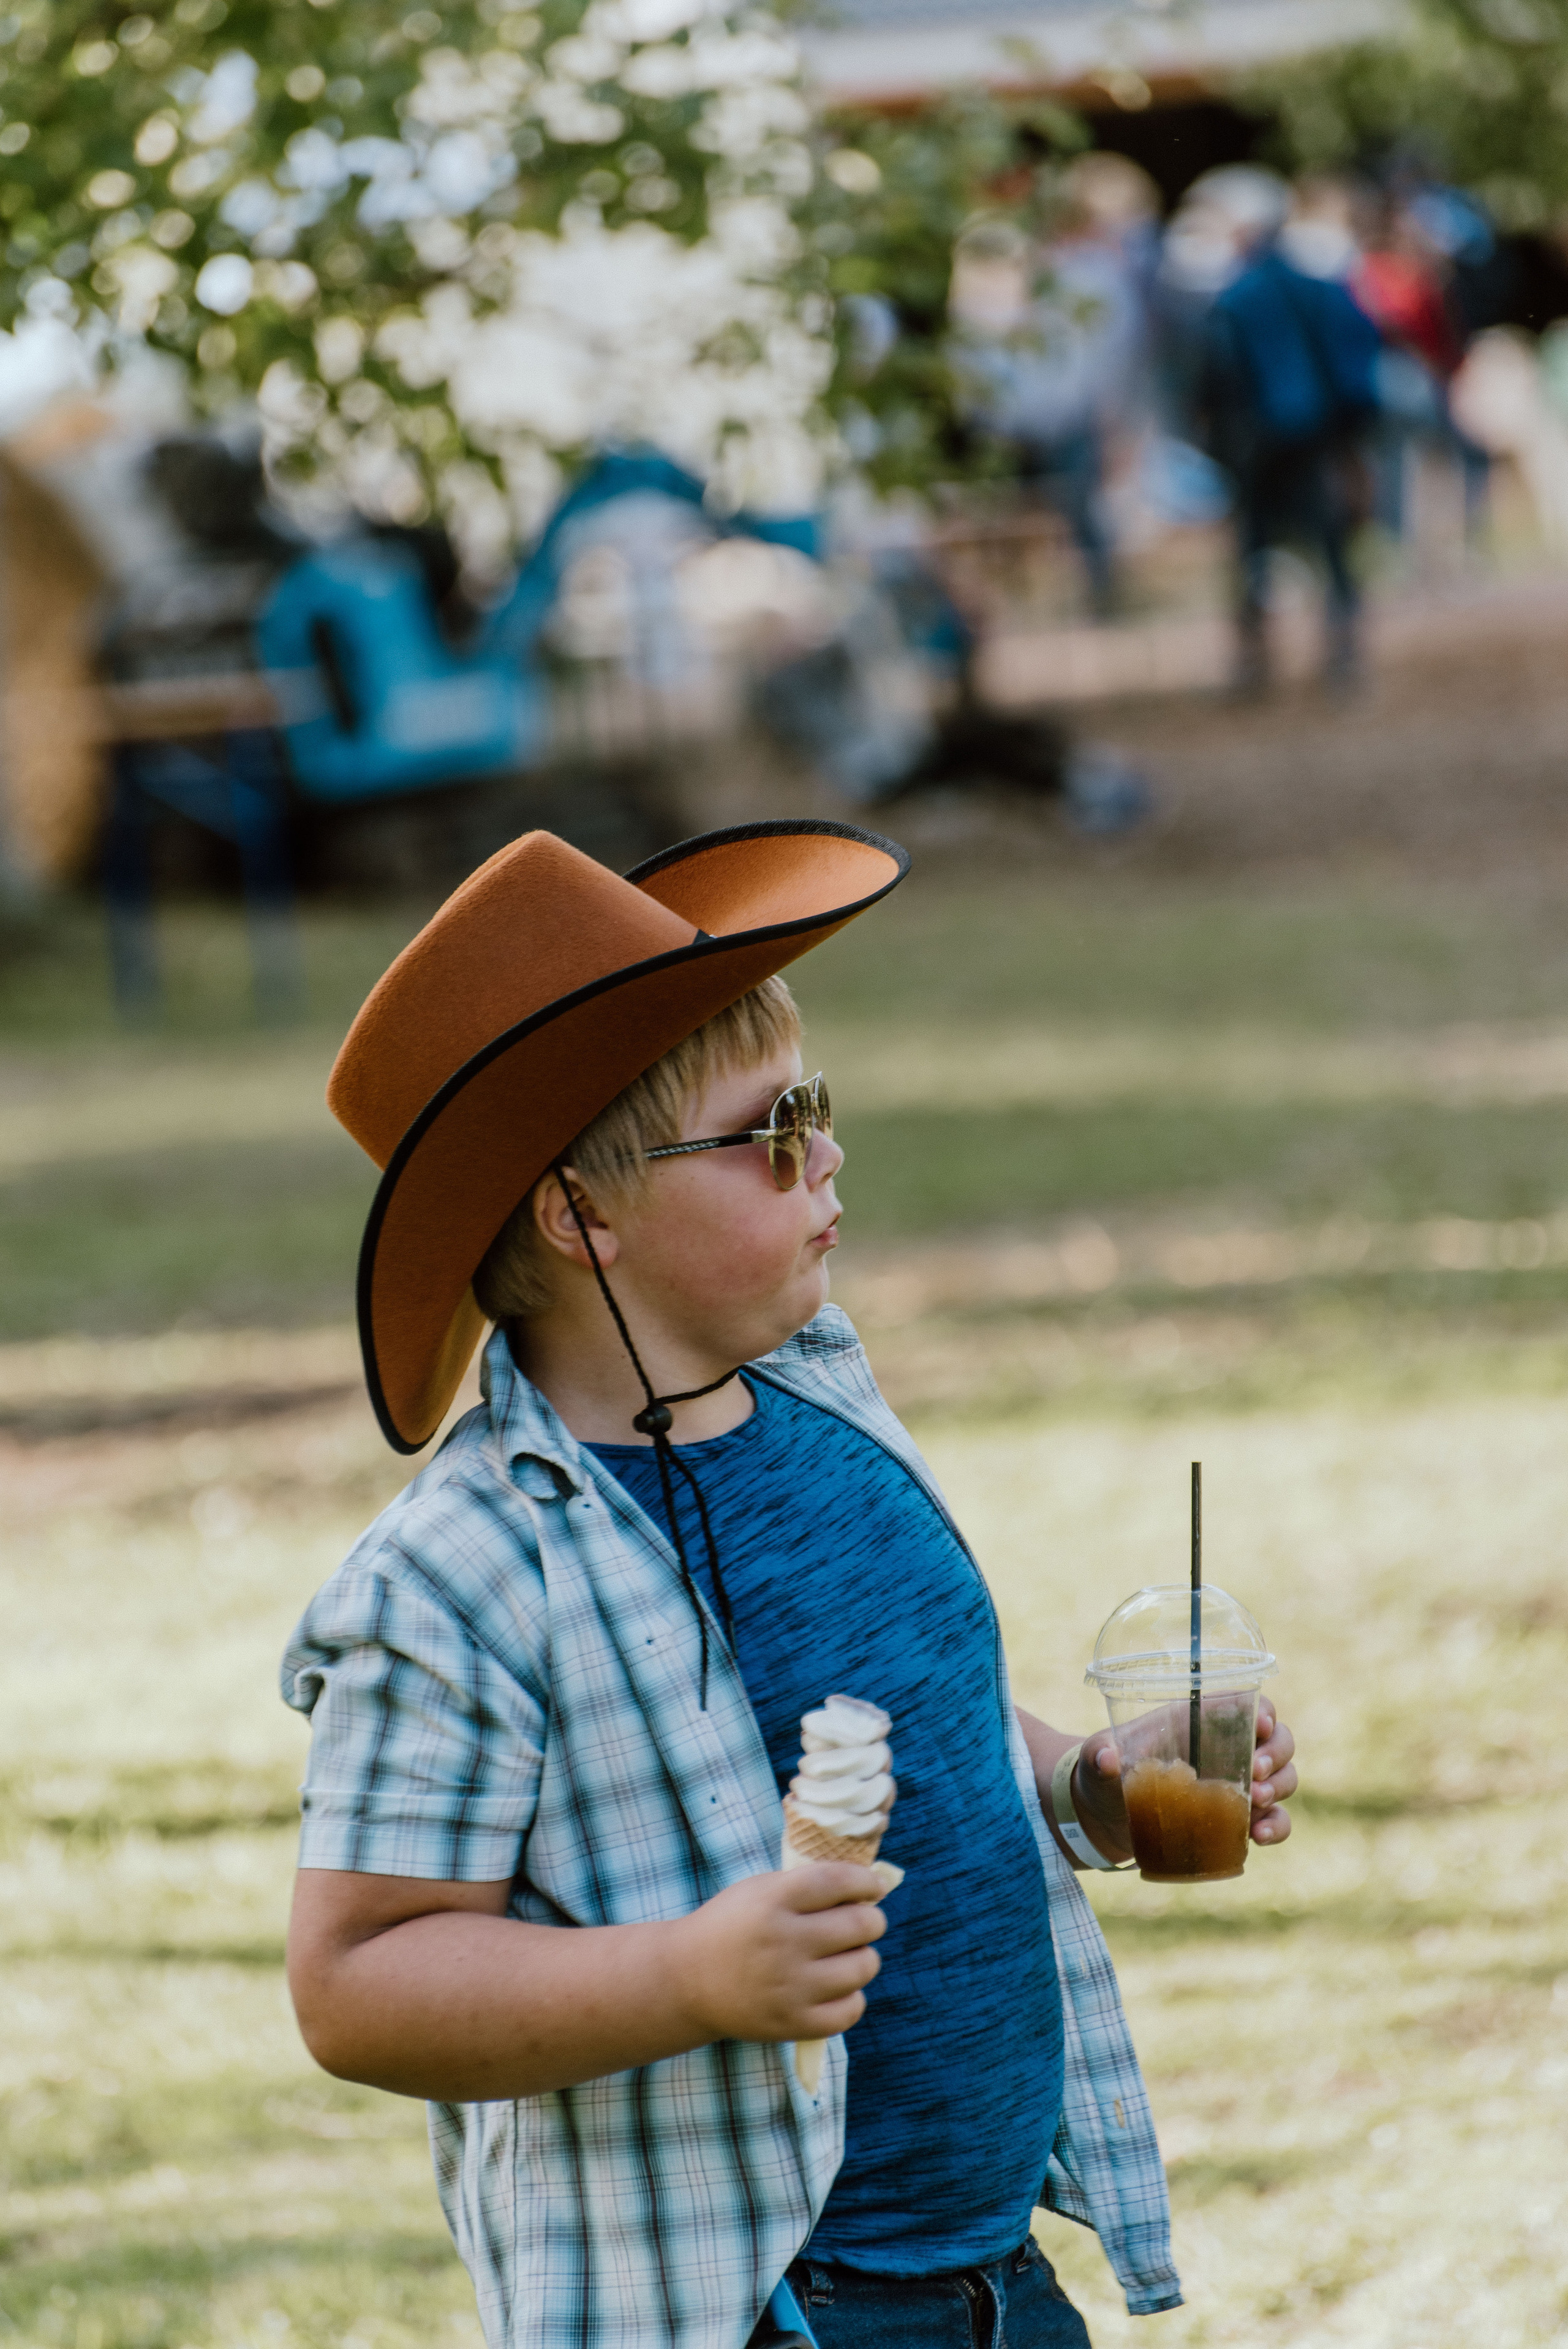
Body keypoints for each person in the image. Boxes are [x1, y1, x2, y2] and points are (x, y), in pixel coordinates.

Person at [279, 823, 1299, 2349]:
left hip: (992, 2269)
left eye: (815, 1107)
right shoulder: (462, 1571)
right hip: (754, 2307)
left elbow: (912, 1719)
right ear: (581, 1215)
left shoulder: (820, 1396)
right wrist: (687, 1972)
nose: (824, 1151)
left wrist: (1089, 1783)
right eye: (770, 1127)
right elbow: (355, 1976)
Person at [1194, 167, 1382, 693]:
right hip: (1320, 431)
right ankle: (1345, 658)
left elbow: (1219, 375)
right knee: (1331, 541)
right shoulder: (1321, 287)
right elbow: (1357, 359)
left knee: (1253, 544)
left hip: (1259, 439)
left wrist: (1217, 438)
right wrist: (1353, 435)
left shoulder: (1235, 297)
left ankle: (1255, 664)